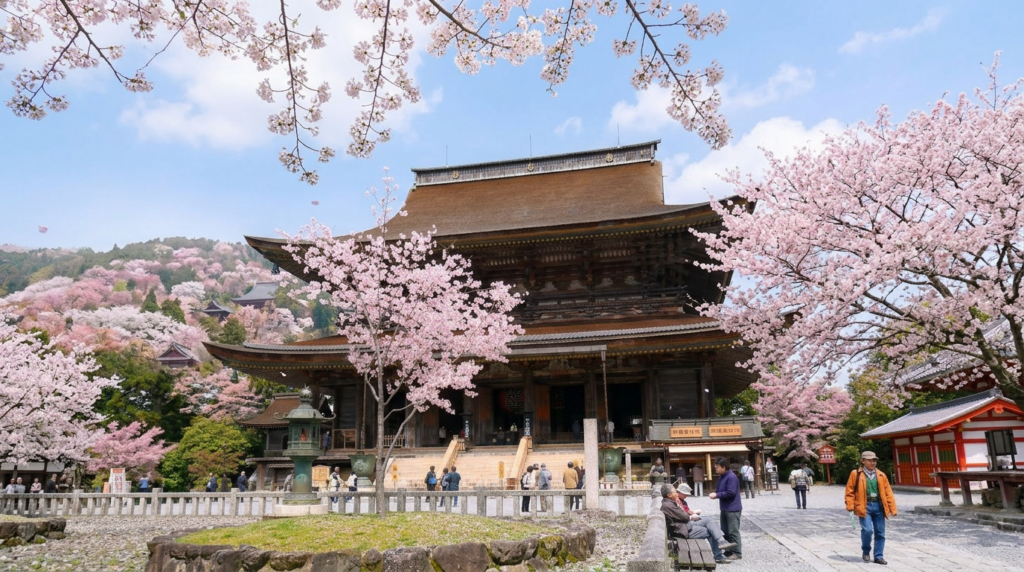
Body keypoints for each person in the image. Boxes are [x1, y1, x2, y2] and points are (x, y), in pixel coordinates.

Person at [845, 451, 897, 566]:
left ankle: (878, 556)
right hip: (864, 506)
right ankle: (866, 551)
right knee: (867, 530)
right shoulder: (856, 474)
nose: (873, 462)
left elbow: (888, 492)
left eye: (874, 460)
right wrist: (850, 505)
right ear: (863, 461)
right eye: (870, 460)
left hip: (879, 506)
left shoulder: (881, 475)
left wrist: (892, 508)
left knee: (880, 532)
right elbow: (850, 491)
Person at [670, 483, 738, 564]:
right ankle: (720, 547)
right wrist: (692, 515)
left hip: (685, 523)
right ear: (679, 492)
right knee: (709, 522)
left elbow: (683, 512)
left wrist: (693, 513)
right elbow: (681, 515)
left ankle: (720, 547)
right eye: (685, 494)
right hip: (684, 526)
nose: (686, 496)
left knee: (710, 525)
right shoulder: (676, 501)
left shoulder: (680, 500)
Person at [708, 458, 742, 560]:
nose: (716, 469)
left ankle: (737, 552)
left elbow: (731, 492)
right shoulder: (721, 477)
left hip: (733, 508)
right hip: (724, 508)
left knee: (733, 531)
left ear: (724, 467)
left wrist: (717, 495)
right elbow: (719, 490)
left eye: (717, 467)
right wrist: (717, 494)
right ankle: (729, 550)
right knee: (725, 531)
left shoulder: (732, 477)